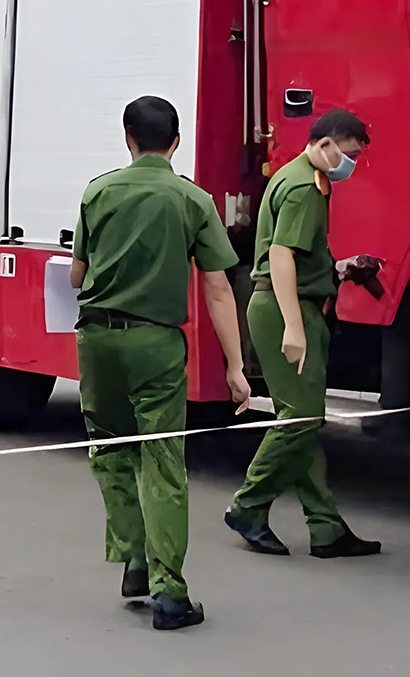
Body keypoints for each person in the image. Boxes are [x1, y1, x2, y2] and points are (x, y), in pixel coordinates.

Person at [70, 95, 252, 631]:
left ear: (128, 138)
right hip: (156, 346)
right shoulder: (192, 199)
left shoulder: (97, 191)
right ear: (176, 142)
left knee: (109, 448)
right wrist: (235, 369)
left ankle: (134, 556)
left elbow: (77, 276)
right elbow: (217, 287)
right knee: (163, 463)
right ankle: (168, 592)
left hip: (98, 341)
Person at [224, 108, 381, 559]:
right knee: (301, 417)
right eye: (349, 154)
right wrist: (294, 326)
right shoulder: (302, 187)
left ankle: (325, 526)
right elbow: (281, 255)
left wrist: (338, 269)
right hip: (283, 309)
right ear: (327, 143)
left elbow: (300, 256)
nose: (351, 163)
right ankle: (248, 505)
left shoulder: (297, 176)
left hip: (286, 303)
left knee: (302, 420)